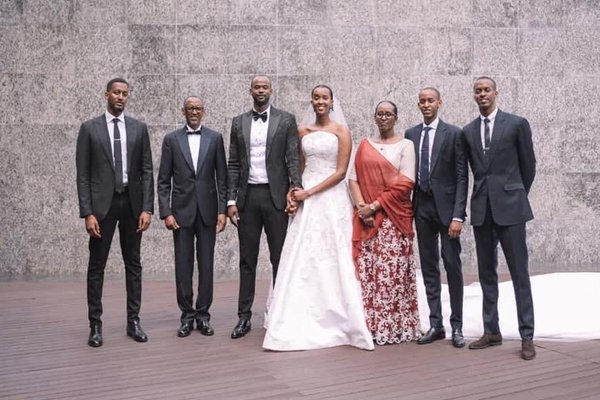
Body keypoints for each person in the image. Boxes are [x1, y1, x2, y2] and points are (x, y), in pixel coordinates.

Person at [262, 85, 374, 351]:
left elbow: (340, 173)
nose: (320, 101)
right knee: (301, 251)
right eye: (316, 97)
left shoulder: (342, 131)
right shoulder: (302, 131)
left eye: (325, 97)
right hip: (305, 195)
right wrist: (294, 192)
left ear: (332, 101)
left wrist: (308, 193)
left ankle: (340, 315)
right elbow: (298, 168)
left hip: (330, 197)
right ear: (311, 102)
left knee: (334, 251)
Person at [462, 76, 537, 360]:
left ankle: (526, 335)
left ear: (496, 93)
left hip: (511, 208)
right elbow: (470, 171)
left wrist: (514, 193)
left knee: (519, 274)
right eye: (478, 91)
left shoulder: (516, 124)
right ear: (474, 96)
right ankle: (491, 330)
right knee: (486, 274)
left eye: (487, 90)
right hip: (482, 210)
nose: (482, 94)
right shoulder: (468, 131)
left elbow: (528, 165)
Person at [76, 78, 154, 347]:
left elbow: (146, 172)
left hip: (131, 206)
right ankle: (95, 325)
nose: (120, 97)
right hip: (102, 209)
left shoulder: (138, 129)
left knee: (134, 265)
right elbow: (83, 174)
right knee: (97, 266)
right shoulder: (89, 129)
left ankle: (134, 322)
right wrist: (87, 212)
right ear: (106, 94)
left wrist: (147, 208)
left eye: (125, 94)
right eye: (116, 93)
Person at [227, 75, 302, 339]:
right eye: (256, 87)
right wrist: (231, 200)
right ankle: (243, 317)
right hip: (247, 199)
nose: (261, 90)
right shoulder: (239, 122)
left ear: (271, 90)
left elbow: (293, 157)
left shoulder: (286, 119)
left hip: (276, 198)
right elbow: (233, 163)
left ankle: (281, 313)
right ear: (250, 91)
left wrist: (295, 189)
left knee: (279, 258)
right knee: (247, 260)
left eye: (265, 87)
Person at [348, 100, 420, 345]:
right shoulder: (364, 145)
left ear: (396, 118)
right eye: (379, 114)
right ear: (375, 117)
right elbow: (353, 179)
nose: (383, 118)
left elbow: (406, 183)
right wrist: (361, 209)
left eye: (388, 114)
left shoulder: (406, 145)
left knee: (393, 274)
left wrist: (375, 206)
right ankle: (371, 325)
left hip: (393, 218)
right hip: (367, 220)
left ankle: (395, 326)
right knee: (370, 273)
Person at [157, 96, 227, 338]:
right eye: (190, 109)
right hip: (181, 213)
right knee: (183, 266)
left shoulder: (216, 138)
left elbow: (222, 178)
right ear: (183, 111)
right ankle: (186, 316)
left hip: (208, 212)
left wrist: (222, 211)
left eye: (198, 109)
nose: (194, 112)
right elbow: (163, 180)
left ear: (203, 112)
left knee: (206, 266)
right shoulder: (171, 140)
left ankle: (203, 315)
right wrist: (165, 212)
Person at [405, 88, 468, 348]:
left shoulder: (454, 133)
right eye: (422, 101)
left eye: (431, 100)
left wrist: (458, 215)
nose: (426, 104)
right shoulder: (411, 134)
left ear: (439, 103)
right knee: (429, 267)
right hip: (422, 208)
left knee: (452, 265)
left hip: (447, 211)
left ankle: (457, 326)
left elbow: (463, 177)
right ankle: (436, 324)